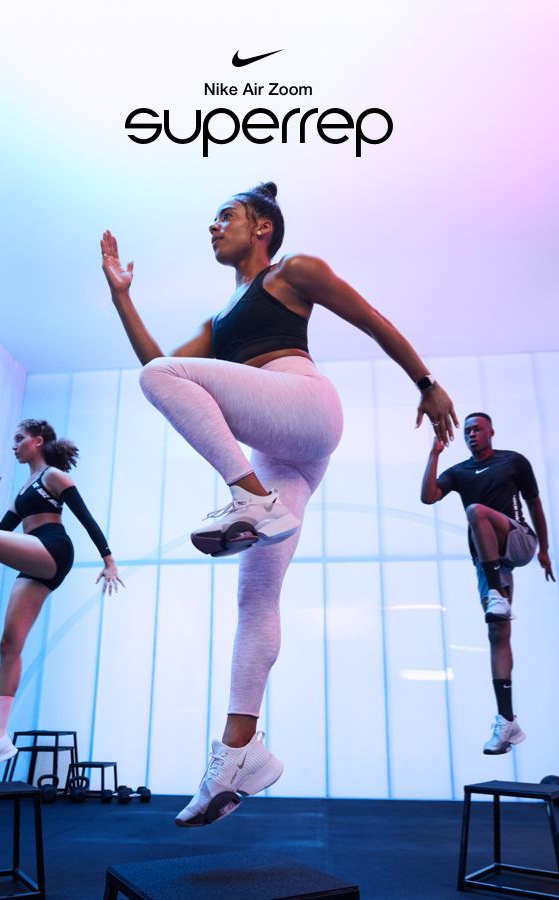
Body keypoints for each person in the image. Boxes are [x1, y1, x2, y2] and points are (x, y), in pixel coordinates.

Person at [100, 181, 458, 826]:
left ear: (262, 226)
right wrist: (122, 297)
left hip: (305, 405)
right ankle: (241, 754)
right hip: (283, 451)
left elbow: (373, 320)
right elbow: (157, 362)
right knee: (256, 593)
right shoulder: (220, 319)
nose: (213, 228)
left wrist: (427, 383)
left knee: (163, 381)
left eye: (225, 217)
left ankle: (251, 501)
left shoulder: (296, 271)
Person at [0, 419, 123, 772]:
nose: (13, 445)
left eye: (18, 439)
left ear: (37, 441)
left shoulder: (53, 476)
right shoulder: (25, 490)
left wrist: (108, 559)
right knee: (9, 645)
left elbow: (85, 516)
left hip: (52, 548)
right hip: (34, 557)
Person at [421, 411, 555, 754]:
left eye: (477, 428)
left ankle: (496, 591)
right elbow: (429, 496)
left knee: (475, 511)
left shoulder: (512, 461)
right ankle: (506, 720)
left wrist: (545, 549)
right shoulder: (461, 472)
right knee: (497, 631)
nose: (471, 434)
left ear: (491, 431)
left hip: (518, 539)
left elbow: (535, 503)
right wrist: (434, 455)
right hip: (487, 557)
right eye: (467, 431)